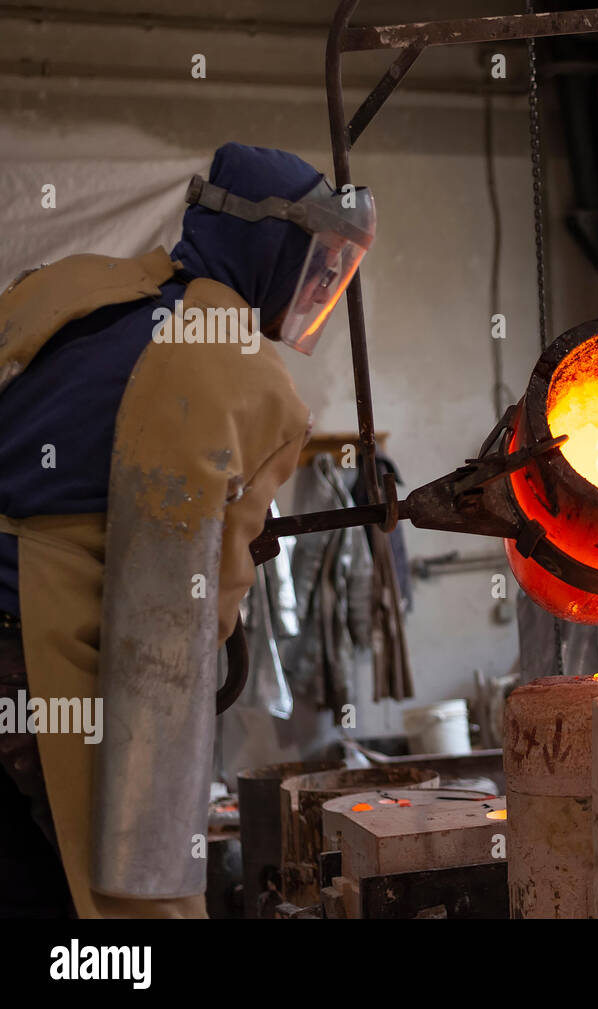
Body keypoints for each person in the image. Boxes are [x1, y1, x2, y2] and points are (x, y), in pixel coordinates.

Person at [0, 142, 374, 917]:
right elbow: (201, 608)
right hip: (41, 651)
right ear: (273, 250)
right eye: (314, 264)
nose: (315, 287)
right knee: (124, 897)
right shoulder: (256, 385)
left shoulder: (69, 286)